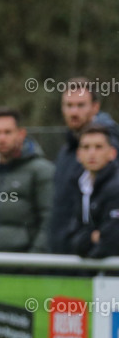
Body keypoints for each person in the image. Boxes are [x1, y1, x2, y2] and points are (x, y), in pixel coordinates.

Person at [0, 107, 53, 254]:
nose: (1, 138)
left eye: (7, 132)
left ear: (21, 134)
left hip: (23, 268)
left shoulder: (41, 171)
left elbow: (49, 219)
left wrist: (33, 261)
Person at [51, 78, 117, 255]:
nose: (74, 112)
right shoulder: (66, 151)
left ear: (95, 107)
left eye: (80, 105)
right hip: (65, 253)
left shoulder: (111, 147)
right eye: (69, 105)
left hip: (95, 260)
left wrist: (93, 241)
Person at [69, 124, 119, 258]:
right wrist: (91, 237)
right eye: (86, 147)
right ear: (78, 154)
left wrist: (88, 249)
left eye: (98, 147)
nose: (92, 153)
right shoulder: (79, 184)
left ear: (112, 153)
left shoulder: (116, 187)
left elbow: (112, 241)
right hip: (97, 274)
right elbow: (73, 235)